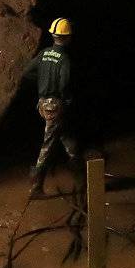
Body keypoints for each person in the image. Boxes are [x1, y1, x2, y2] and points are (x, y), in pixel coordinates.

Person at [24, 16, 79, 195]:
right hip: (54, 106)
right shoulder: (64, 59)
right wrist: (66, 99)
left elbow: (27, 72)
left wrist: (42, 82)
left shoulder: (44, 53)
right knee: (48, 144)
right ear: (67, 37)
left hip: (42, 103)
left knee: (62, 132)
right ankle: (36, 184)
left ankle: (75, 160)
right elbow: (64, 84)